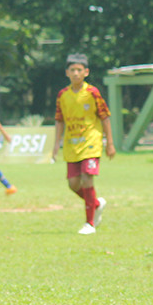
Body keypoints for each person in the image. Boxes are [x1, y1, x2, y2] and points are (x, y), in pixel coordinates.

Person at [51, 53, 116, 235]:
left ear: (86, 72)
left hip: (91, 143)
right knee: (73, 184)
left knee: (87, 178)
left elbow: (105, 117)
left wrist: (109, 143)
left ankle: (89, 224)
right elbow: (59, 120)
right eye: (72, 70)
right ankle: (96, 204)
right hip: (72, 145)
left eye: (79, 70)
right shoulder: (62, 95)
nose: (76, 73)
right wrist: (56, 144)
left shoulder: (92, 93)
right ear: (67, 73)